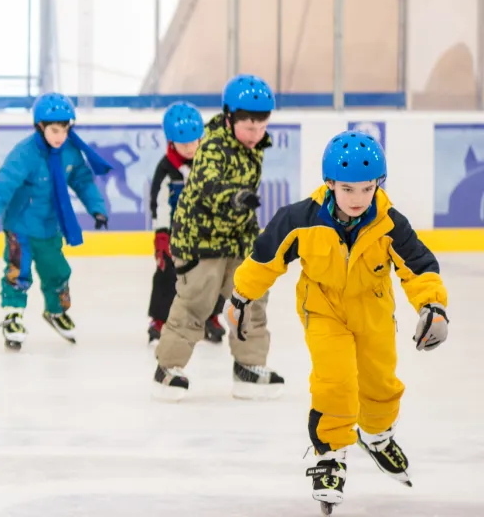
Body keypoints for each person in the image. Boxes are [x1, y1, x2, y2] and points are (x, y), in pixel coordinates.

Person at [229, 131, 447, 513]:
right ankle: (330, 454)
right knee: (336, 381)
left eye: (367, 189)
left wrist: (433, 306)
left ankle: (377, 435)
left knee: (380, 381)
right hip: (323, 309)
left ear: (378, 185)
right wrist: (241, 296)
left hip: (374, 312)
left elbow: (419, 267)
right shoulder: (301, 219)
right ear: (329, 183)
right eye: (347, 189)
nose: (358, 199)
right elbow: (266, 257)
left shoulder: (389, 223)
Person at [152, 74, 284, 401]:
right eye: (248, 127)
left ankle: (249, 367)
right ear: (229, 117)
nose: (256, 135)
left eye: (261, 127)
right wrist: (234, 197)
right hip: (199, 239)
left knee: (249, 297)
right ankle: (167, 369)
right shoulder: (212, 144)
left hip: (236, 239)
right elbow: (207, 183)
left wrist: (256, 238)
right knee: (197, 300)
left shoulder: (252, 145)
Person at [0, 92, 110, 351]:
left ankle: (56, 311)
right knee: (17, 272)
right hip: (20, 228)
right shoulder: (24, 154)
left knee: (57, 272)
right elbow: (1, 189)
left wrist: (97, 209)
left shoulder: (69, 152)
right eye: (54, 130)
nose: (60, 136)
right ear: (40, 127)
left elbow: (83, 181)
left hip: (49, 227)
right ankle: (13, 316)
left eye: (64, 130)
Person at [146, 101, 226, 345]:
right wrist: (162, 235)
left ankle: (211, 317)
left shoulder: (210, 161)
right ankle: (159, 320)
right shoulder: (166, 168)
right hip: (176, 233)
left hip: (207, 231)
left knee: (214, 274)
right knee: (167, 273)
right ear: (171, 142)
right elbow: (159, 203)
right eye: (184, 144)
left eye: (195, 142)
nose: (190, 148)